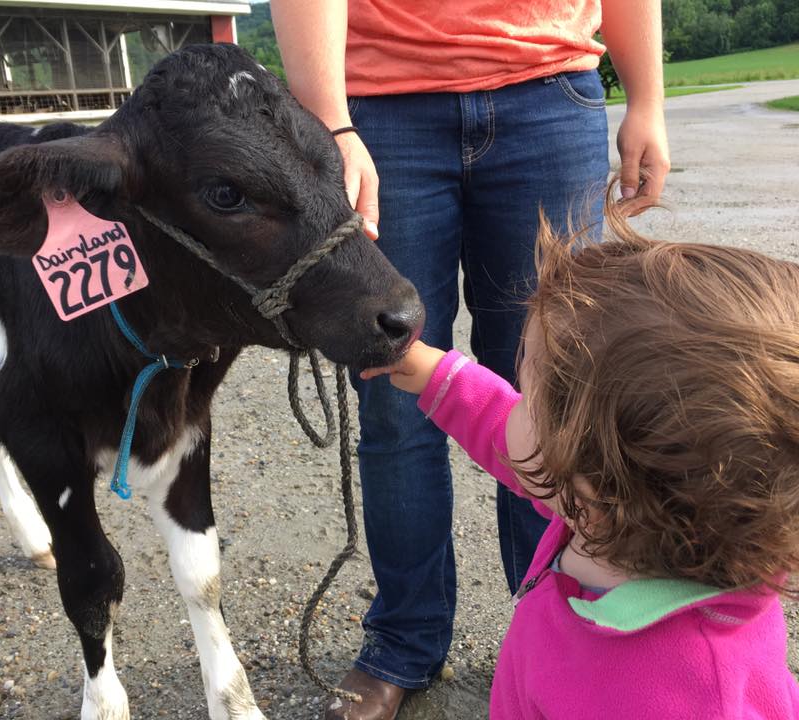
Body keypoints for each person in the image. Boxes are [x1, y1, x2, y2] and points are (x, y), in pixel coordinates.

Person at [271, 1, 670, 716]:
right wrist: (330, 122)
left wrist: (648, 99)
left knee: (563, 397)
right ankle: (403, 640)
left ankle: (565, 627)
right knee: (393, 397)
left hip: (551, 91)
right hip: (381, 110)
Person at [360, 201, 799, 718]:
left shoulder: (693, 696)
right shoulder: (625, 517)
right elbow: (511, 435)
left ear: (593, 480)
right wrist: (438, 375)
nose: (514, 403)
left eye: (530, 393)